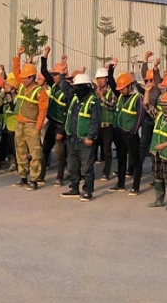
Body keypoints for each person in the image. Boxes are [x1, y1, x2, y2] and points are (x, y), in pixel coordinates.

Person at [11, 50, 48, 191]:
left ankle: (34, 179)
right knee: (20, 151)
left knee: (35, 153)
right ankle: (23, 177)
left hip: (32, 126)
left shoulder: (40, 92)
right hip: (20, 124)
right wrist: (18, 56)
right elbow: (16, 72)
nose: (23, 79)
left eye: (26, 78)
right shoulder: (22, 86)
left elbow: (43, 111)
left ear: (32, 77)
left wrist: (38, 128)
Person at [61, 73, 101, 201]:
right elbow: (64, 87)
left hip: (85, 141)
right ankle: (74, 188)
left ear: (86, 87)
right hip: (72, 139)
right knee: (72, 166)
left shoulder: (93, 101)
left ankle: (88, 191)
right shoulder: (74, 98)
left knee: (87, 167)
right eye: (75, 86)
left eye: (78, 87)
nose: (75, 89)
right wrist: (62, 74)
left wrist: (90, 137)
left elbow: (95, 122)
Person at [111, 71, 146, 196]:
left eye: (122, 88)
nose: (120, 91)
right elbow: (112, 84)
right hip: (120, 133)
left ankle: (135, 187)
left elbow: (140, 116)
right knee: (121, 159)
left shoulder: (138, 98)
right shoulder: (120, 97)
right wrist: (110, 70)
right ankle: (120, 184)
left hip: (131, 135)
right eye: (119, 89)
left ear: (130, 86)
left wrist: (133, 131)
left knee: (135, 161)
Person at [40, 47, 71, 187]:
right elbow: (44, 72)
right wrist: (45, 56)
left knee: (60, 154)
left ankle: (59, 178)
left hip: (60, 126)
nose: (53, 76)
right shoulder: (53, 85)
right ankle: (41, 176)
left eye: (56, 74)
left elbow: (68, 112)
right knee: (45, 150)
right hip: (52, 124)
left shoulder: (67, 91)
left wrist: (62, 131)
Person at [94, 65, 117, 181]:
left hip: (108, 126)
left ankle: (106, 173)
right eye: (98, 78)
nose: (100, 81)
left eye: (102, 78)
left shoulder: (111, 92)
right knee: (92, 149)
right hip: (97, 126)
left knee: (107, 150)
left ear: (107, 79)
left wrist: (102, 97)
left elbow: (112, 106)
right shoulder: (95, 92)